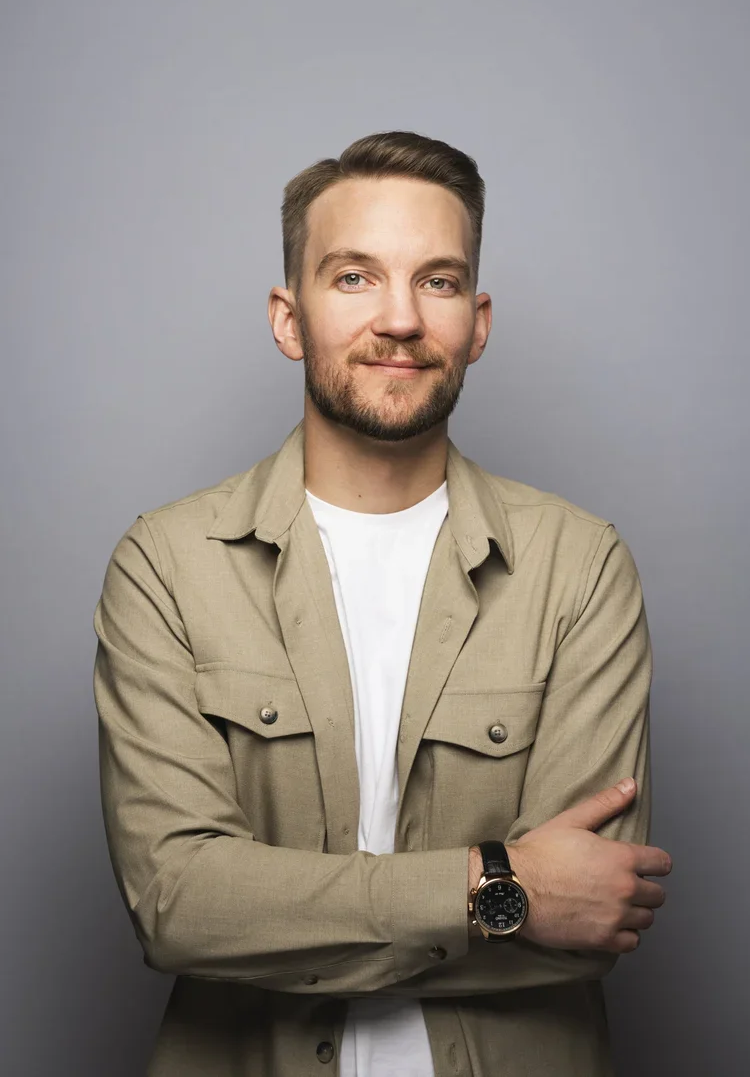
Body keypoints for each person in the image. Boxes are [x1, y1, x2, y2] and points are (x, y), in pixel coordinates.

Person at [93, 130, 672, 1077]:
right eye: (355, 277)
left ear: (477, 323)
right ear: (289, 318)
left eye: (437, 282)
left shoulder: (580, 567)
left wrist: (280, 921)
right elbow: (179, 906)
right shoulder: (167, 567)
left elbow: (590, 919)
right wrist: (499, 885)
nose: (400, 319)